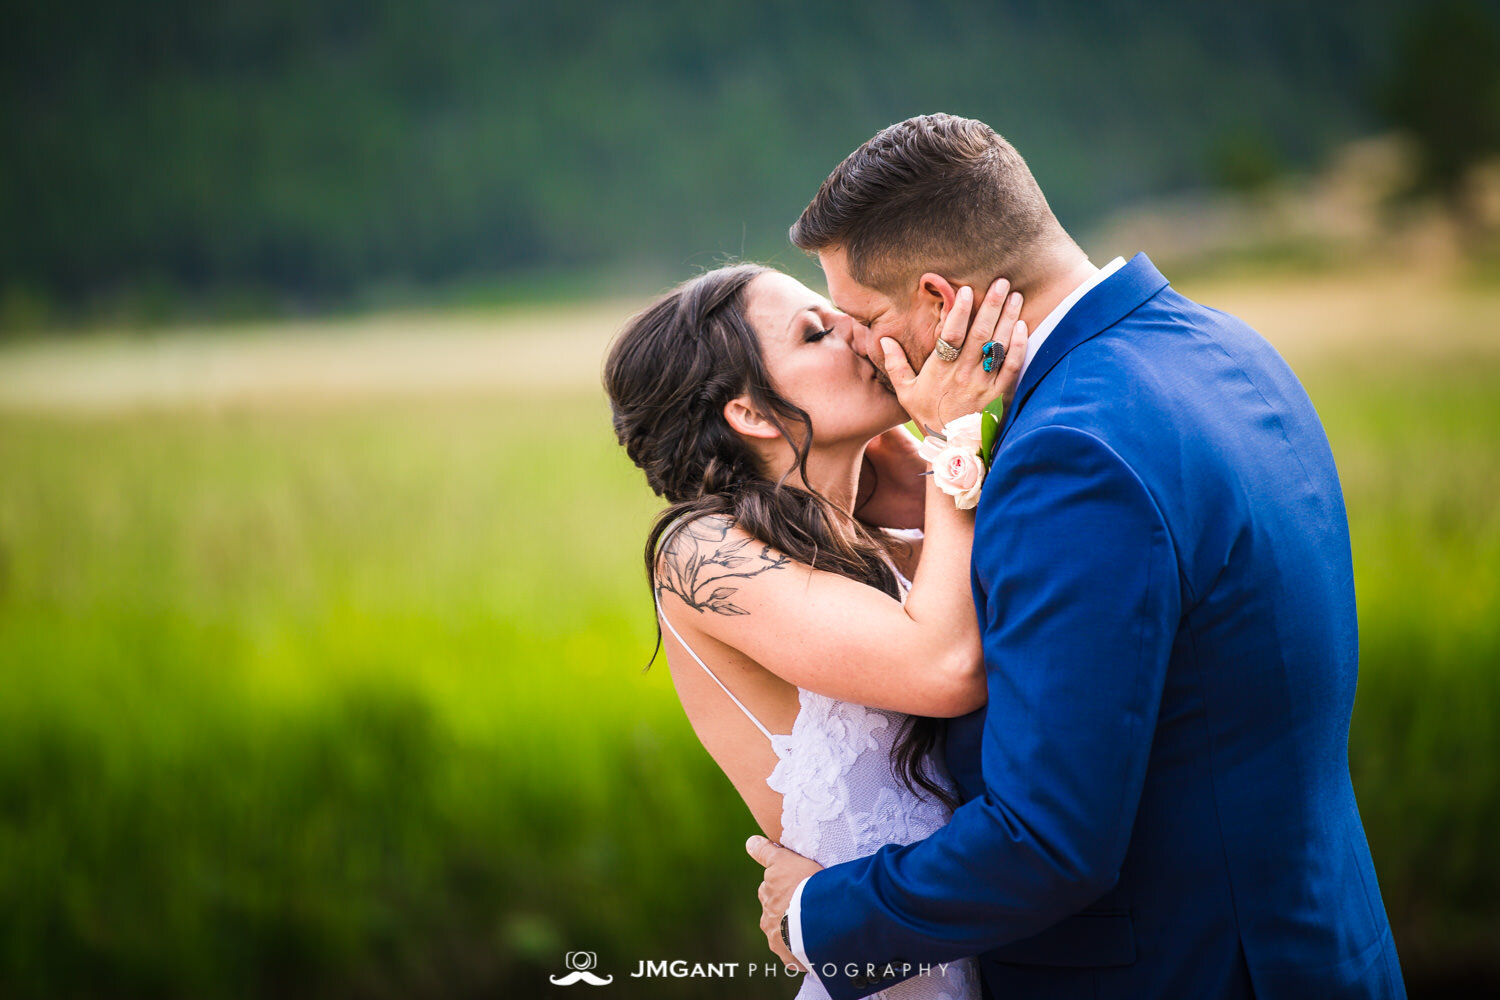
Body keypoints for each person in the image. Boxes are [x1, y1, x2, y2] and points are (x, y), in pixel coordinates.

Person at [745, 113, 1406, 1000]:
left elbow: (1050, 838)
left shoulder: (1071, 455)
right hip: (1323, 947)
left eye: (865, 318)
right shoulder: (1223, 347)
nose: (863, 348)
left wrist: (818, 915)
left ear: (942, 302)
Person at [603, 258, 1032, 999]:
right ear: (753, 414)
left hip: (989, 939)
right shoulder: (700, 556)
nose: (854, 327)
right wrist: (957, 428)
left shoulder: (886, 514)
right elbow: (944, 667)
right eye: (814, 332)